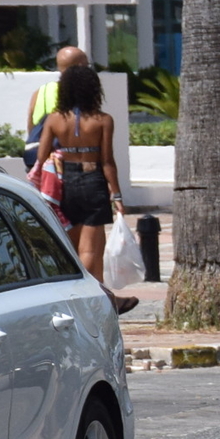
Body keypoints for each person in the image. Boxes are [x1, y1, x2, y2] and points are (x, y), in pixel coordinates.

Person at [35, 61, 137, 314]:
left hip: (65, 184)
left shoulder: (54, 119)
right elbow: (107, 161)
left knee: (72, 247)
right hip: (93, 182)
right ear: (93, 90)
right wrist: (117, 195)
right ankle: (86, 300)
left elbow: (41, 157)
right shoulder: (103, 121)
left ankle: (86, 298)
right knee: (90, 250)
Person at [21, 45, 89, 169]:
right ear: (81, 66)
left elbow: (31, 126)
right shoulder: (83, 93)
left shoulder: (42, 91)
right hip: (67, 164)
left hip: (39, 161)